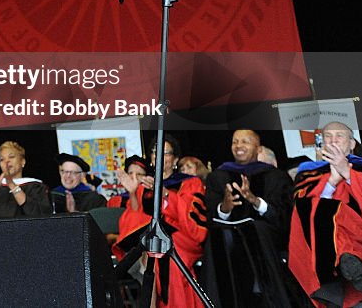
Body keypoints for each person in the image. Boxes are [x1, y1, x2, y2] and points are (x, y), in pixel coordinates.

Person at [201, 129, 310, 307]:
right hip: (228, 240)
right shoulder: (218, 177)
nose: (239, 146)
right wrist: (224, 208)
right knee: (219, 236)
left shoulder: (276, 176)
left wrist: (255, 201)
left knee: (255, 228)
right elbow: (211, 217)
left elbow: (284, 218)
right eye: (235, 142)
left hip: (268, 240)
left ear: (258, 148)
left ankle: (262, 293)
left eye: (245, 141)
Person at [288, 121, 362, 308]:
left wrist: (347, 172)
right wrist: (331, 182)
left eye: (339, 136)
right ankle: (347, 268)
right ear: (321, 143)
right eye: (328, 136)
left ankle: (356, 265)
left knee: (337, 215)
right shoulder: (308, 175)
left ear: (352, 144)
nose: (333, 140)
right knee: (322, 210)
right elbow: (302, 212)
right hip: (325, 243)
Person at [113, 134, 208, 308]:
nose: (160, 156)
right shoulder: (145, 187)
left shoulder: (190, 183)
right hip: (149, 243)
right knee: (151, 253)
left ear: (175, 159)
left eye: (166, 153)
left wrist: (164, 193)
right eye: (156, 152)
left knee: (165, 255)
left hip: (182, 240)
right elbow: (134, 221)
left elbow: (190, 221)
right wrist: (133, 192)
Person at [0, 140, 51, 219]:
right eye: (2, 159)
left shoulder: (35, 187)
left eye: (11, 157)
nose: (6, 161)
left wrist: (11, 184)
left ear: (23, 162)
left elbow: (40, 215)